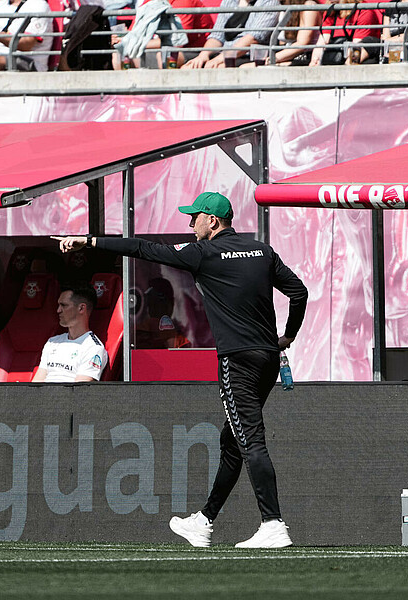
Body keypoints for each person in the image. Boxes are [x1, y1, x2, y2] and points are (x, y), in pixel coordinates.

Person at [55, 191, 308, 548]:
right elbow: (299, 292)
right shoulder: (262, 252)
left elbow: (144, 249)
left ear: (213, 221)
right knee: (233, 441)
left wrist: (92, 241)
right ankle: (203, 521)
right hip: (267, 359)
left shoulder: (204, 253)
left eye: (195, 218)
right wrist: (287, 336)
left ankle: (273, 524)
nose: (190, 225)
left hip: (237, 361)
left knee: (249, 439)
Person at [32, 284, 108, 382]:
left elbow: (80, 391)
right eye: (59, 305)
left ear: (81, 308)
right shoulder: (52, 342)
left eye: (63, 305)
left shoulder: (93, 348)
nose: (58, 310)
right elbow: (36, 384)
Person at [181, 0, 281, 68]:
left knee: (217, 68)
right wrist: (203, 55)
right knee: (185, 64)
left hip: (248, 56)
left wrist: (218, 59)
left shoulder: (269, 2)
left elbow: (253, 38)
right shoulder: (230, 1)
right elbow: (217, 35)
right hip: (222, 53)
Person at [309, 0, 381, 66]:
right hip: (334, 57)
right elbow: (322, 41)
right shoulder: (331, 10)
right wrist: (314, 61)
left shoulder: (364, 11)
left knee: (361, 48)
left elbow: (357, 47)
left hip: (358, 59)